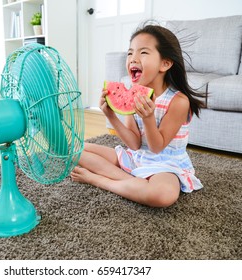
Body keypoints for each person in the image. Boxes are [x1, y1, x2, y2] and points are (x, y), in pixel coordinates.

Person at [71, 24, 205, 208]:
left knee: (162, 196)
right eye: (130, 53)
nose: (133, 59)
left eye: (143, 53)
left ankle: (101, 180)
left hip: (166, 164)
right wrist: (110, 115)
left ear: (165, 63)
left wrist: (148, 118)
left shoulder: (178, 101)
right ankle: (133, 181)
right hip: (137, 156)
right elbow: (134, 144)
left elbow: (157, 147)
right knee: (74, 150)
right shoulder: (135, 93)